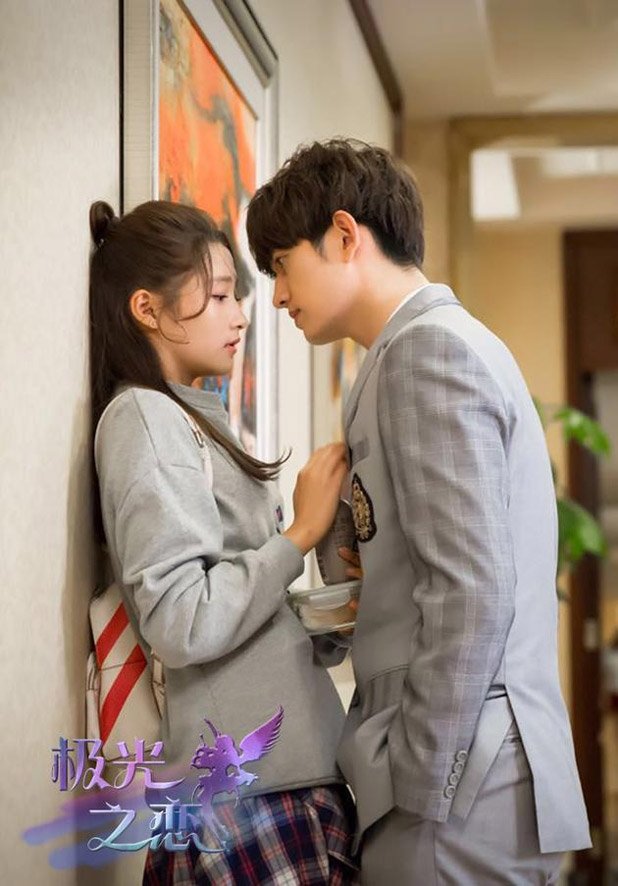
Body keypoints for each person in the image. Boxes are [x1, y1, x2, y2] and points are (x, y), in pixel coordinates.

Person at [246, 139, 592, 884]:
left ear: (345, 235)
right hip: (464, 771)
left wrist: (420, 779)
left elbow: (472, 591)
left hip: (458, 783)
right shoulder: (410, 352)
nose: (277, 296)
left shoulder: (426, 352)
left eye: (280, 264)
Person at [88, 199, 360, 885]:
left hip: (279, 785)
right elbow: (182, 619)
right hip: (249, 800)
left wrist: (331, 602)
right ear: (147, 309)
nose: (240, 315)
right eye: (217, 297)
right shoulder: (145, 417)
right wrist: (298, 533)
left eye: (235, 295)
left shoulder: (188, 417)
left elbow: (241, 613)